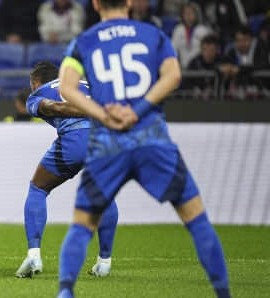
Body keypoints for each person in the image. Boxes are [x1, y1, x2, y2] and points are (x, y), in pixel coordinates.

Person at [57, 0, 230, 297]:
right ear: (129, 3)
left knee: (83, 224)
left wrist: (104, 114)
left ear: (96, 4)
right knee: (196, 218)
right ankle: (223, 293)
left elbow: (67, 88)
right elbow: (174, 75)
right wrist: (136, 111)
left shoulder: (84, 41)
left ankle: (65, 291)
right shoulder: (153, 34)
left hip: (108, 143)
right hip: (151, 138)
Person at [15, 61, 118, 278]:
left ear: (35, 83)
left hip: (76, 139)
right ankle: (104, 263)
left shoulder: (38, 93)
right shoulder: (87, 84)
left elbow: (55, 107)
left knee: (38, 189)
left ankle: (34, 255)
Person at [220, 25, 270, 98]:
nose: (242, 44)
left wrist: (239, 69)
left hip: (262, 90)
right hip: (241, 92)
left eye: (245, 40)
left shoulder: (260, 47)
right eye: (239, 40)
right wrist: (223, 68)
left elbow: (263, 65)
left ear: (251, 39)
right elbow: (219, 63)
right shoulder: (232, 50)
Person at [171, 2, 210, 69]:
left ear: (197, 14)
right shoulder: (178, 30)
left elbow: (207, 51)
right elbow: (172, 49)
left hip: (199, 68)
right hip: (182, 68)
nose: (188, 16)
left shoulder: (203, 30)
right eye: (186, 13)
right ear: (182, 15)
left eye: (191, 13)